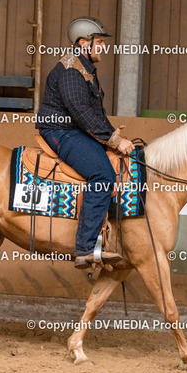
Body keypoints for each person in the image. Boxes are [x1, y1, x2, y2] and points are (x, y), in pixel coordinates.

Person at [36, 16, 135, 269]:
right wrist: (115, 140)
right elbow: (81, 112)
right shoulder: (71, 71)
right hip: (61, 131)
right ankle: (86, 248)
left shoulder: (85, 68)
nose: (103, 47)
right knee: (103, 175)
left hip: (75, 131)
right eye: (99, 42)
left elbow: (94, 115)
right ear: (83, 43)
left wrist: (113, 137)